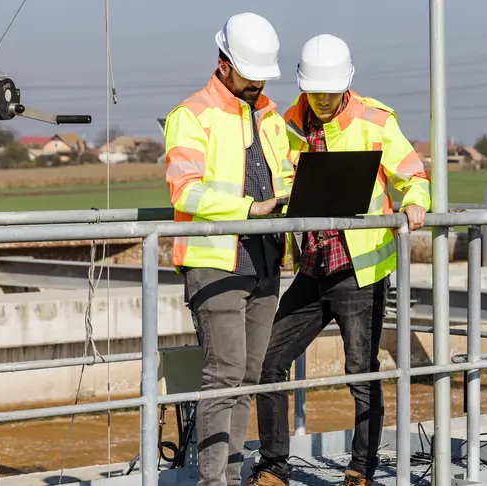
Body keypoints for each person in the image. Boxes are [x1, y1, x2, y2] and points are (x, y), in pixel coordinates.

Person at [250, 34, 430, 486]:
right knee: (270, 363)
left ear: (346, 84)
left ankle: (360, 471)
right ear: (304, 86)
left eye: (330, 93)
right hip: (312, 266)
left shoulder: (375, 118)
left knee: (360, 372)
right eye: (316, 92)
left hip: (360, 269)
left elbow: (411, 173)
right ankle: (273, 468)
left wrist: (416, 201)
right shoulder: (286, 120)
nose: (324, 101)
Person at [162, 12, 295, 486]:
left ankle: (233, 477)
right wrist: (248, 208)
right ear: (224, 64)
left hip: (264, 260)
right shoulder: (191, 115)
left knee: (250, 376)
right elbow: (185, 191)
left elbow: (285, 177)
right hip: (215, 263)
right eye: (250, 74)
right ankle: (212, 481)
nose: (257, 83)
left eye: (263, 75)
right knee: (225, 374)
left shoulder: (271, 116)